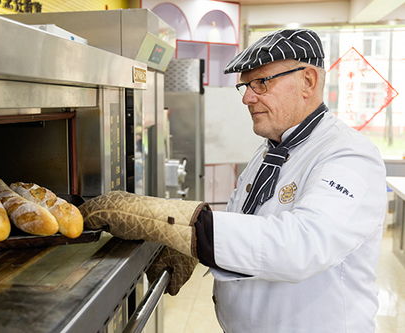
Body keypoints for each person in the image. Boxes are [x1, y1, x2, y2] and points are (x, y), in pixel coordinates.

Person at [79, 29, 387, 333]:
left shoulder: (349, 156)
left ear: (308, 81)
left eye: (261, 83)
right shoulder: (270, 150)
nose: (248, 98)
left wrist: (179, 224)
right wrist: (192, 248)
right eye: (246, 86)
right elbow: (252, 224)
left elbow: (300, 246)